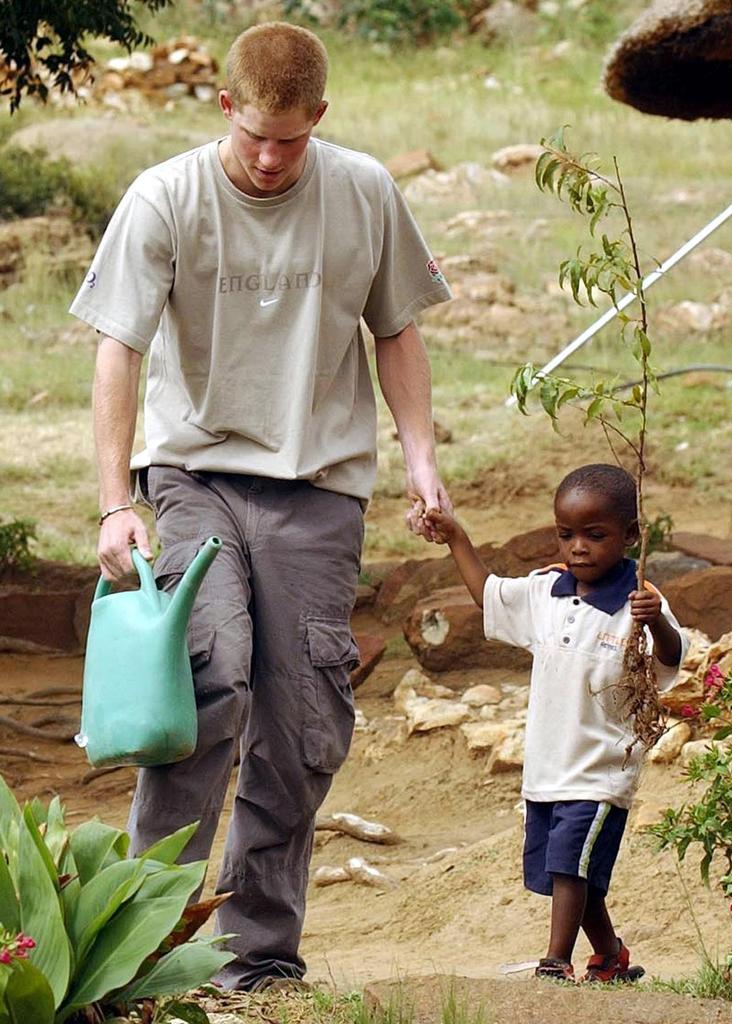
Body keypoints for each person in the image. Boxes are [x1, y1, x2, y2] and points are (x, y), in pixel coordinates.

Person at [69, 21, 452, 990]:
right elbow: (118, 347)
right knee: (211, 674)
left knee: (300, 723)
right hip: (192, 474)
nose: (273, 159)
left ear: (317, 118)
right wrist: (116, 501)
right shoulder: (167, 198)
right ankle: (142, 944)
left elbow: (396, 329)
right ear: (225, 108)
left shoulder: (363, 191)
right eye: (255, 138)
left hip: (319, 487)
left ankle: (256, 955)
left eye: (293, 139)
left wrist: (420, 456)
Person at [423, 463, 686, 983]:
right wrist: (457, 537)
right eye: (566, 534)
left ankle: (554, 962)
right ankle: (610, 956)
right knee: (567, 871)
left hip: (600, 770)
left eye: (595, 534)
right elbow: (490, 594)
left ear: (631, 535)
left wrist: (654, 619)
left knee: (570, 866)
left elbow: (669, 659)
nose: (578, 548)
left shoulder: (638, 603)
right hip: (546, 766)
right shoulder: (547, 592)